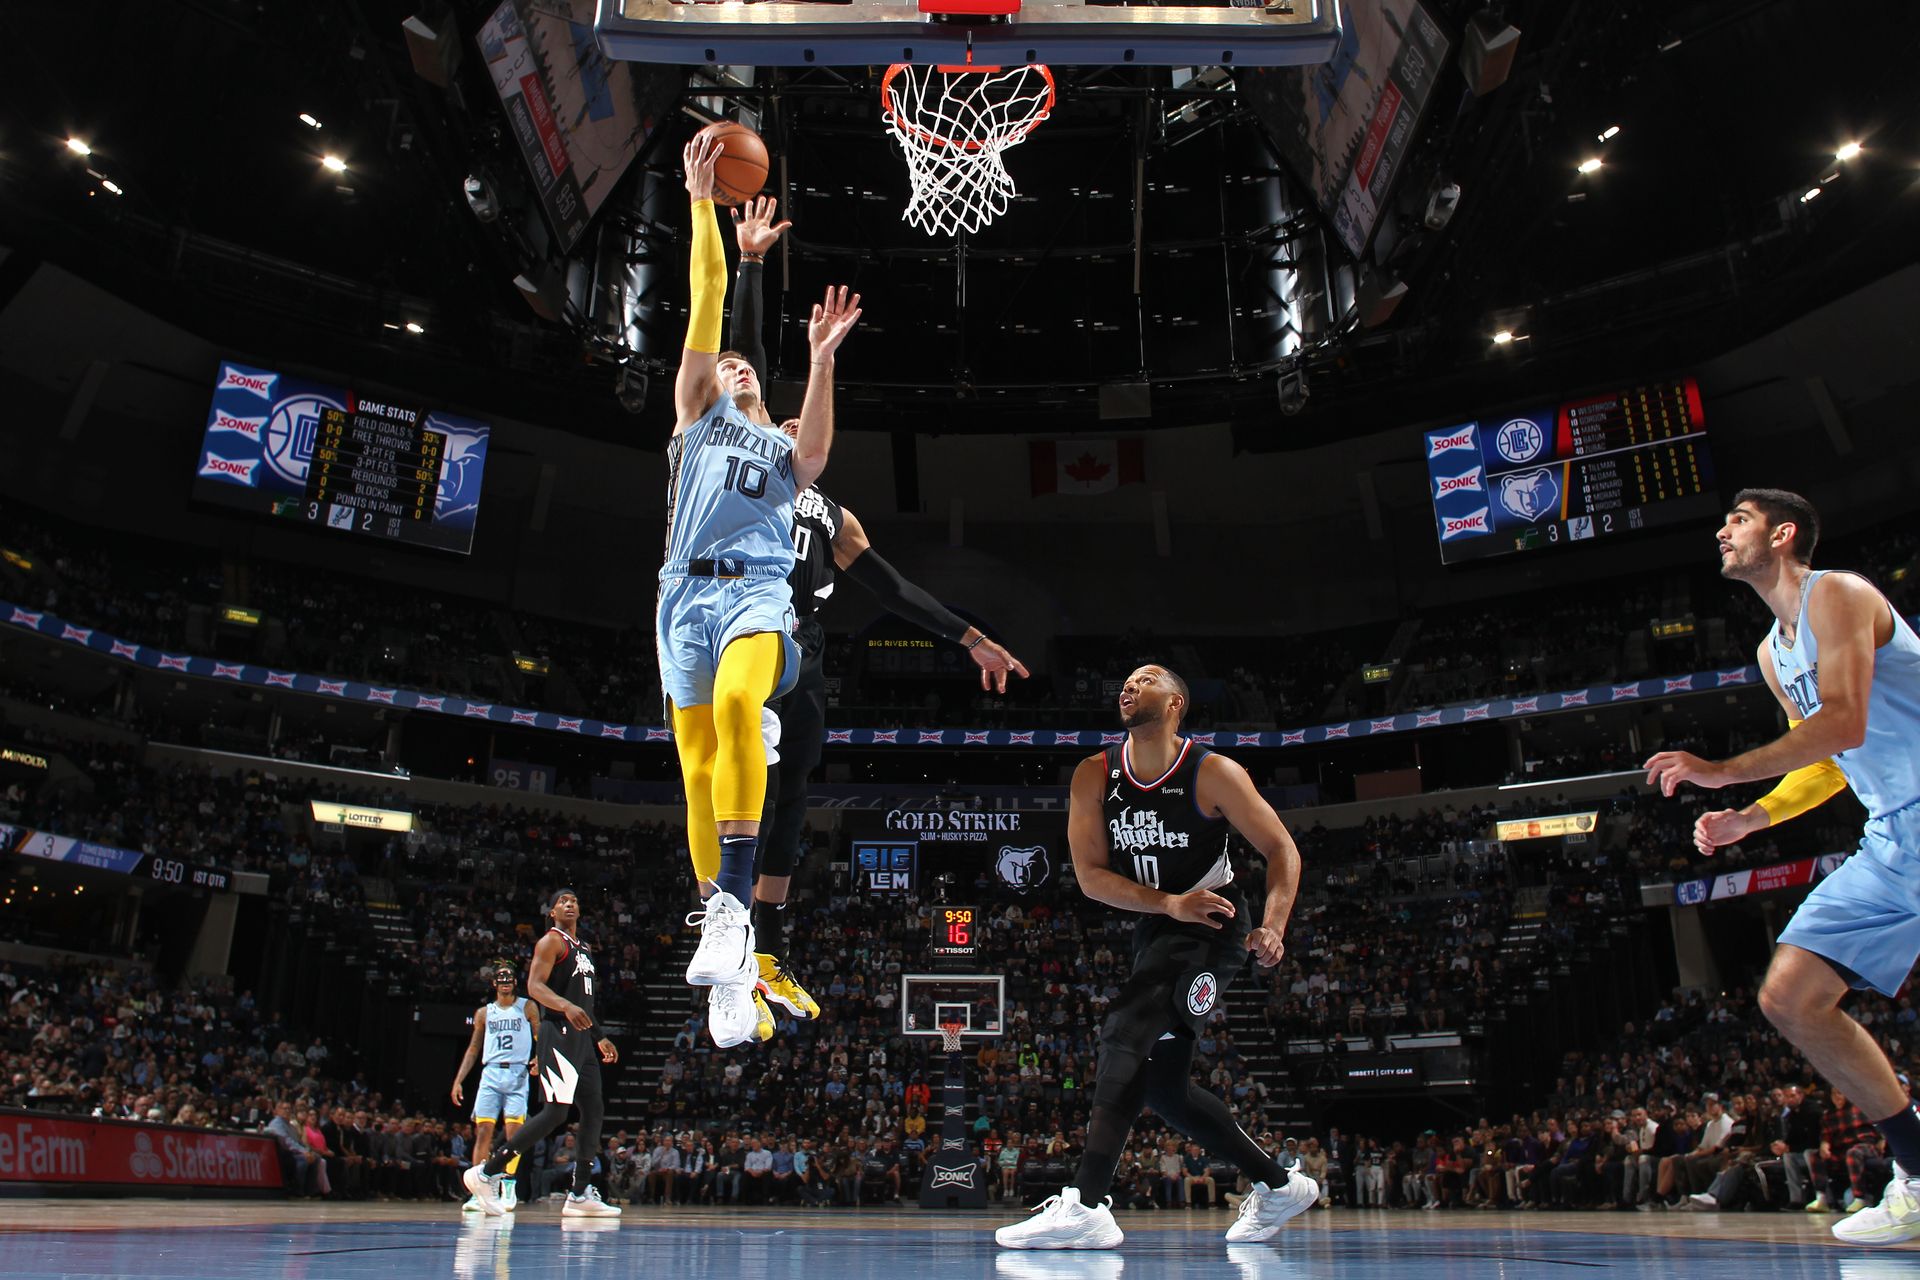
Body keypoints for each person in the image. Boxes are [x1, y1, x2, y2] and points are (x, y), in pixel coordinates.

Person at [720, 197, 1028, 1026]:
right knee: (734, 785)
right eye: (780, 420)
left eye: (803, 424)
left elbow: (893, 590)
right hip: (742, 628)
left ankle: (764, 950)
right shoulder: (751, 465)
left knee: (791, 797)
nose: (790, 424)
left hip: (804, 653)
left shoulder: (834, 515)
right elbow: (740, 361)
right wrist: (749, 264)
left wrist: (971, 638)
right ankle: (721, 924)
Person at [1645, 488, 1920, 1246]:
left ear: (1784, 532)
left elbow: (1845, 718)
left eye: (1738, 519)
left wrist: (1724, 772)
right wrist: (1753, 817)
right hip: (1894, 836)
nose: (1722, 531)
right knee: (1791, 996)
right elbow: (1832, 761)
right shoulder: (1772, 651)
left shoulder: (1839, 594)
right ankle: (1918, 1170)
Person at [996, 664, 1318, 1249]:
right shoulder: (1094, 775)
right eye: (1125, 680)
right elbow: (1091, 878)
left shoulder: (1212, 771)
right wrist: (1168, 903)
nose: (1129, 686)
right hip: (1163, 923)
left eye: (1146, 680)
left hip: (1215, 924)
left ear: (1175, 704)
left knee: (1125, 1027)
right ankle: (1279, 1186)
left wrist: (1273, 927)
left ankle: (1086, 1204)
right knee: (1164, 1090)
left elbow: (1281, 849)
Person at [664, 133, 863, 1050]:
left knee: (744, 709)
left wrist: (820, 358)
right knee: (697, 768)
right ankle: (724, 949)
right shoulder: (697, 413)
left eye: (752, 367)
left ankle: (737, 914)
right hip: (679, 599)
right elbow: (708, 300)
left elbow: (817, 453)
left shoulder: (781, 454)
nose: (739, 366)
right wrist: (703, 208)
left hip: (756, 595)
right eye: (732, 364)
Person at [463, 889, 620, 1218]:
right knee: (556, 1113)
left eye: (574, 900)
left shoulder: (585, 948)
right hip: (558, 1033)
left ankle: (579, 1193)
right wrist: (565, 1006)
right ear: (551, 912)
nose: (570, 904)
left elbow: (584, 1003)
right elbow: (534, 986)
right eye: (562, 901)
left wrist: (599, 1036)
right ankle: (487, 1172)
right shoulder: (551, 942)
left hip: (582, 1040)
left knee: (593, 1109)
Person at [451, 959, 539, 1213]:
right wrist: (458, 1080)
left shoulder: (527, 1007)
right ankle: (479, 1189)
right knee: (483, 1134)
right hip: (490, 1073)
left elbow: (540, 1035)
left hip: (517, 1073)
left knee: (515, 1135)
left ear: (514, 982)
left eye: (508, 979)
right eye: (500, 979)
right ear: (493, 984)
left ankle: (509, 1184)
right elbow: (473, 1048)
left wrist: (540, 1057)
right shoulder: (484, 1013)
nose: (505, 983)